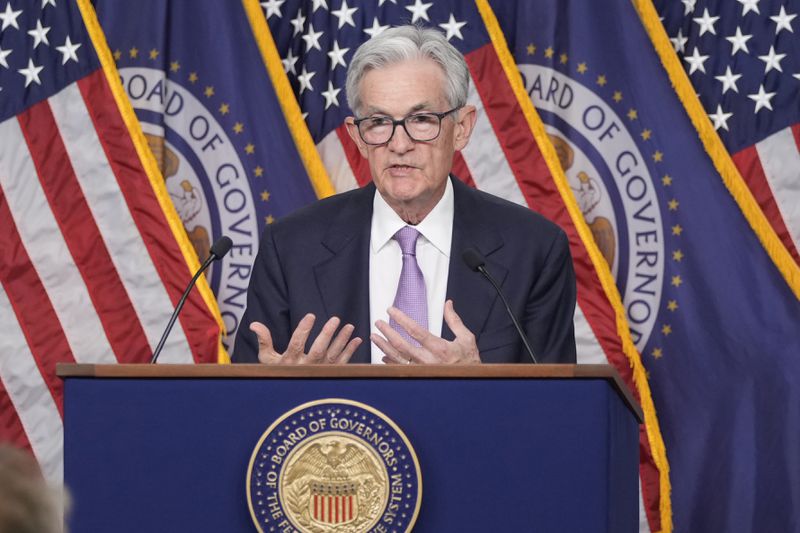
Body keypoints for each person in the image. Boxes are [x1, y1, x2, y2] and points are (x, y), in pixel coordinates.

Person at [233, 25, 576, 365]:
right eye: (379, 122)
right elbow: (241, 405)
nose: (399, 144)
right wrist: (282, 391)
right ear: (357, 136)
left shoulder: (534, 250)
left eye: (422, 119)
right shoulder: (290, 247)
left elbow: (558, 410)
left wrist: (478, 386)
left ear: (462, 128)